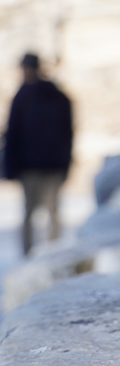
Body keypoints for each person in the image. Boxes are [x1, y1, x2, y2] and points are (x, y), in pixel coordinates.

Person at [3, 52, 73, 256]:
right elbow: (68, 134)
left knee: (31, 214)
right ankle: (53, 256)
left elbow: (12, 134)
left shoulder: (23, 96)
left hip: (31, 167)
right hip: (52, 166)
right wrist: (66, 164)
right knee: (50, 214)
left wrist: (10, 168)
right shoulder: (58, 96)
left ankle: (30, 256)